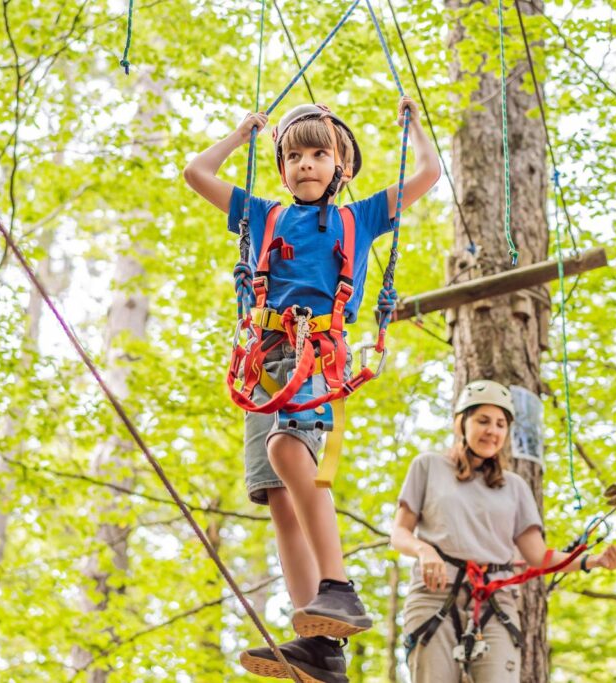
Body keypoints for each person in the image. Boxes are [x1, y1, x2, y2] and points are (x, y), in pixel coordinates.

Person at [184, 98, 440, 682]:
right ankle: (319, 642)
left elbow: (427, 177)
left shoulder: (361, 217)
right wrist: (240, 134)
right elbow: (197, 174)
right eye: (294, 155)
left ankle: (339, 588)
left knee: (288, 452)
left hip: (315, 356)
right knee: (279, 499)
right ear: (281, 170)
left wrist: (414, 128)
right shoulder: (264, 215)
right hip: (263, 362)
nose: (306, 164)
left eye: (319, 154)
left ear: (341, 168)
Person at [391, 380, 616, 682]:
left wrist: (591, 560)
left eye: (501, 424)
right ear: (461, 423)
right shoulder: (428, 467)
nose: (492, 431)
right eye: (483, 421)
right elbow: (399, 533)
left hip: (495, 602)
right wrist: (424, 550)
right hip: (434, 595)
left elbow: (538, 556)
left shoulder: (514, 486)